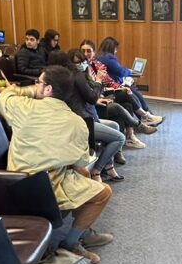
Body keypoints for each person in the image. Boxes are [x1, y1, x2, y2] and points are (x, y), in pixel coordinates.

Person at [0, 65, 113, 264]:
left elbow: (3, 95)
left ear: (48, 89)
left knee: (83, 175)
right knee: (103, 191)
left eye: (39, 82)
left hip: (19, 184)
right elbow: (81, 160)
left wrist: (30, 90)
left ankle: (82, 234)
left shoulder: (22, 107)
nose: (36, 86)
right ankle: (71, 242)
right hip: (48, 185)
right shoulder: (77, 123)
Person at [49, 51, 126, 182]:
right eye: (77, 62)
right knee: (119, 138)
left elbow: (91, 97)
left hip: (81, 117)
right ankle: (97, 170)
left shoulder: (63, 78)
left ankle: (109, 167)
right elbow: (91, 98)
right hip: (82, 121)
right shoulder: (76, 76)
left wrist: (95, 81)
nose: (81, 64)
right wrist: (98, 81)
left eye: (82, 61)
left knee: (115, 125)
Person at [96, 36, 162, 125]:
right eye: (115, 49)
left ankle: (147, 117)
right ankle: (147, 116)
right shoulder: (108, 58)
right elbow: (120, 72)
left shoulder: (100, 57)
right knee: (131, 92)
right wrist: (128, 71)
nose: (116, 51)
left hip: (111, 86)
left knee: (133, 93)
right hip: (110, 88)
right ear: (112, 48)